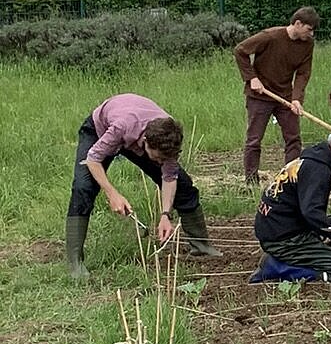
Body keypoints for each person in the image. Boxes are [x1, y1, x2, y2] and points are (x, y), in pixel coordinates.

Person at [66, 96, 219, 277]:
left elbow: (169, 177)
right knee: (83, 188)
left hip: (137, 130)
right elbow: (93, 159)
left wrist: (165, 214)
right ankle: (75, 263)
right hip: (100, 129)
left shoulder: (168, 138)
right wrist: (112, 194)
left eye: (164, 159)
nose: (161, 162)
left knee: (184, 185)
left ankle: (201, 246)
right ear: (146, 141)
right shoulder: (122, 127)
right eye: (158, 158)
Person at [253, 128, 331, 280]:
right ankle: (277, 268)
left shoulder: (316, 158)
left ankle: (313, 250)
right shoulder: (319, 171)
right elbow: (311, 213)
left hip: (283, 225)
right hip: (284, 239)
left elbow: (310, 211)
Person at [235, 8, 319, 184]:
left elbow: (303, 73)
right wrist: (252, 78)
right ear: (298, 24)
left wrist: (296, 99)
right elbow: (240, 51)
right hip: (259, 96)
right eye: (309, 29)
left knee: (293, 138)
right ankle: (251, 181)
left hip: (285, 97)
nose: (311, 33)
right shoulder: (270, 36)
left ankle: (290, 181)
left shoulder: (307, 44)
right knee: (254, 140)